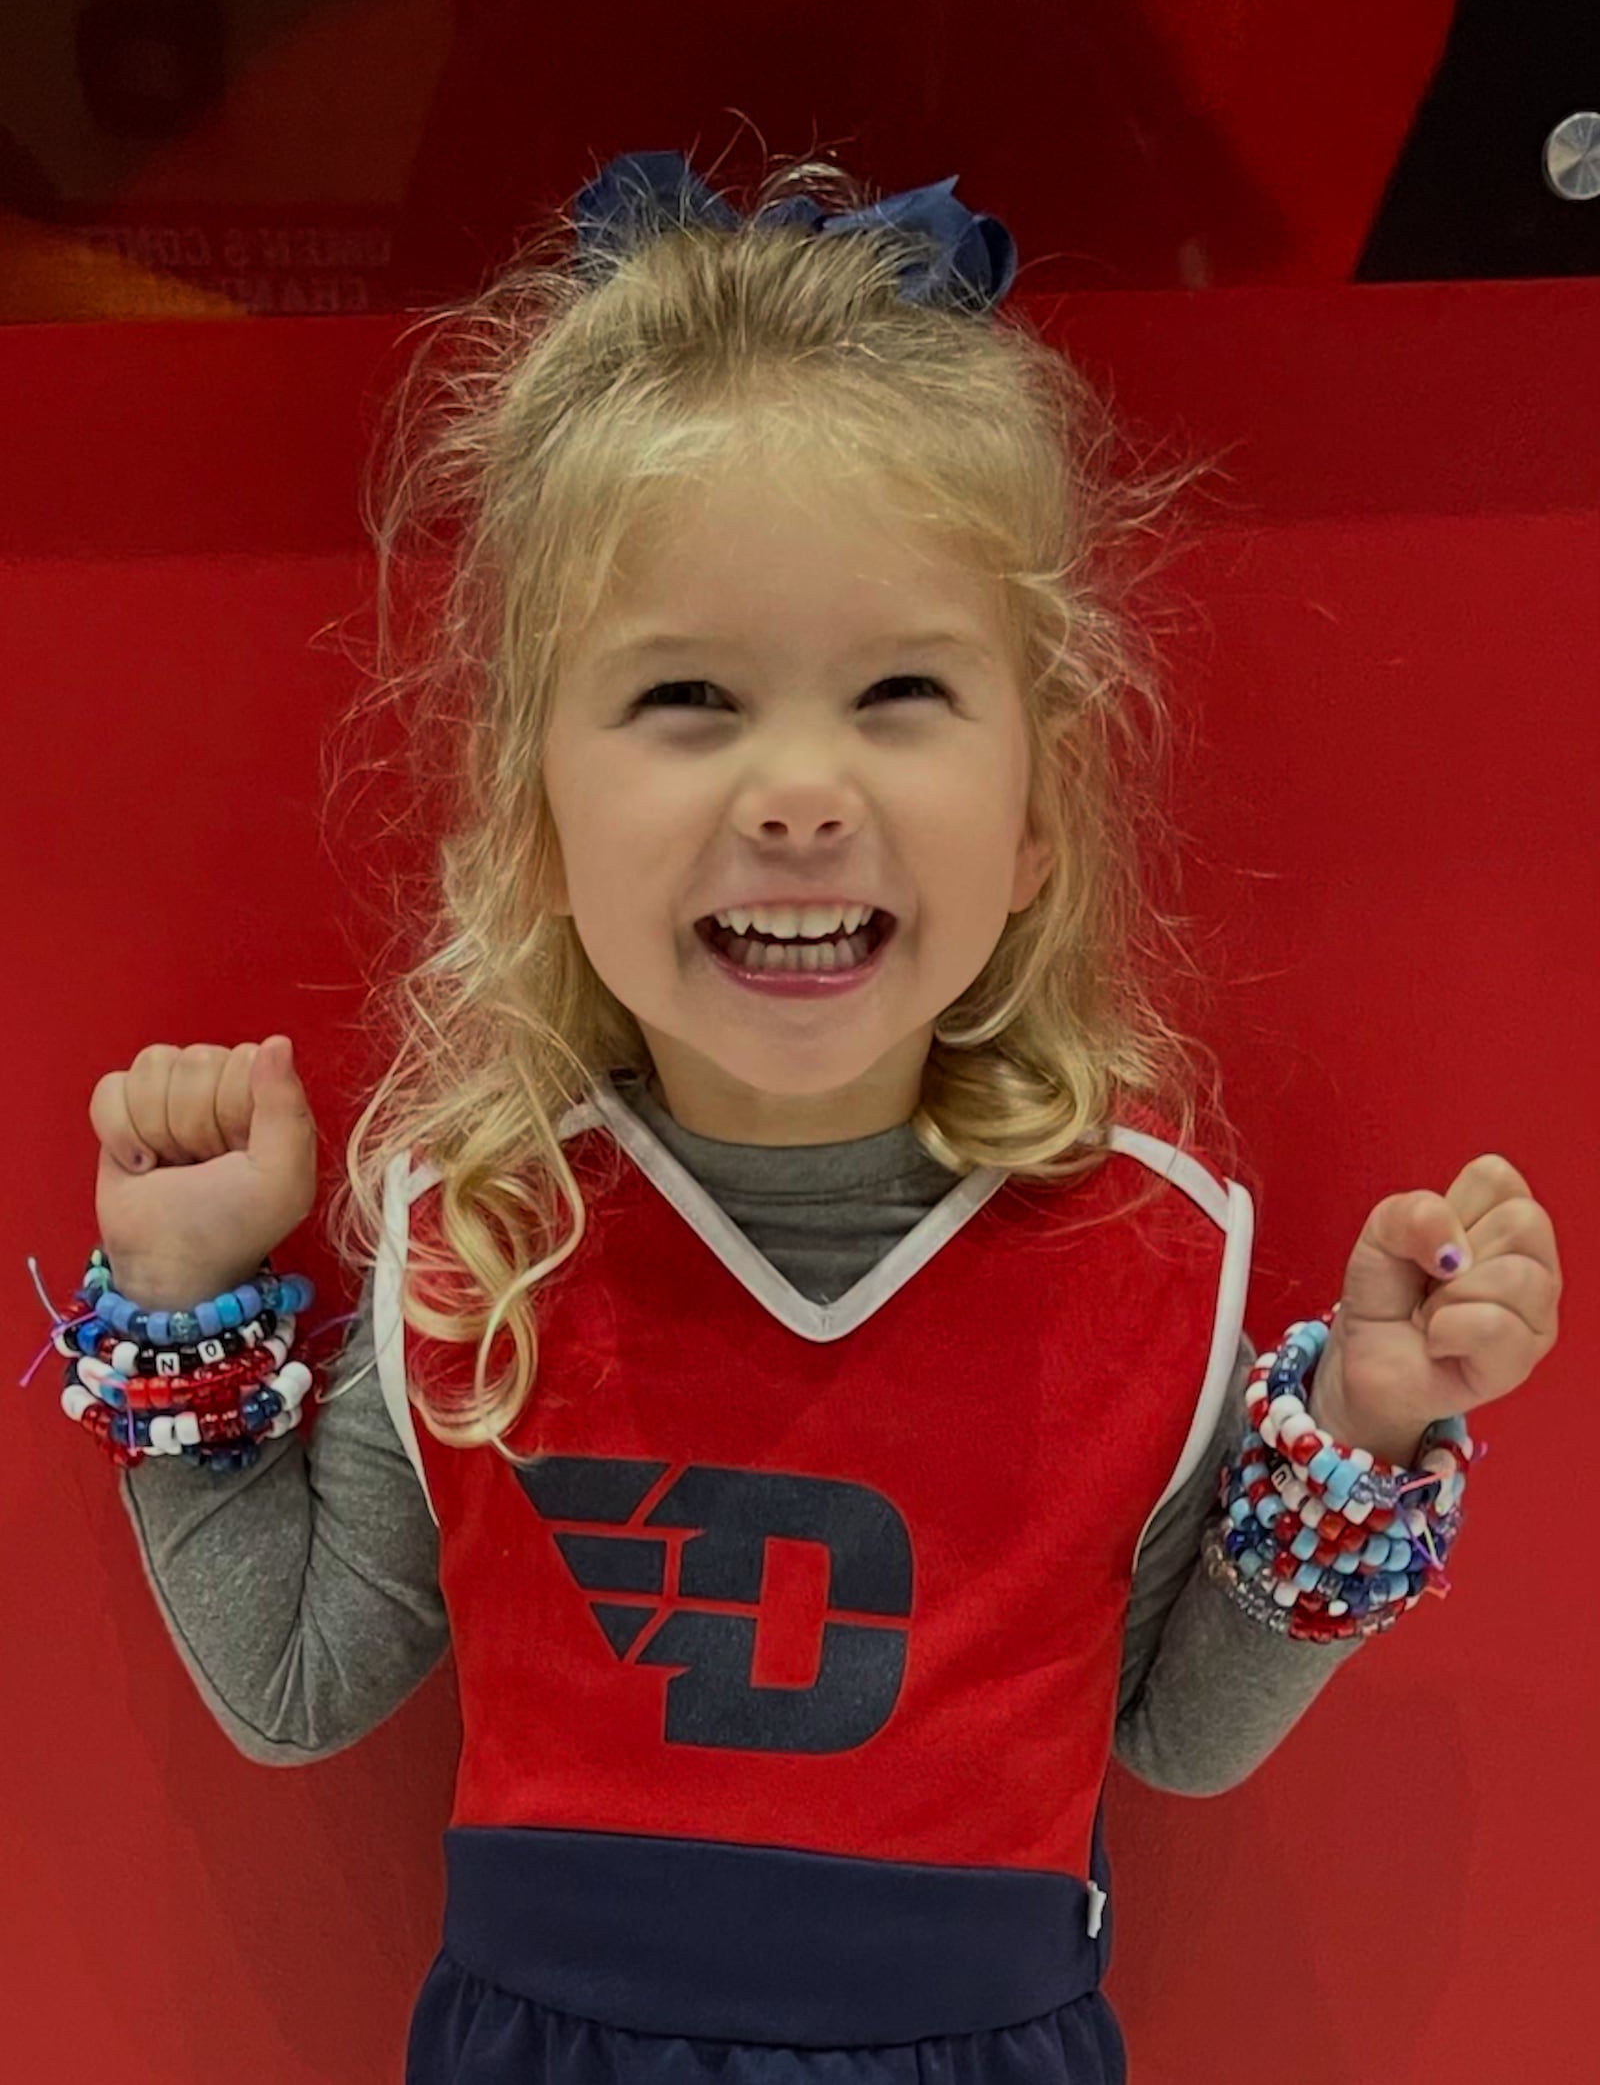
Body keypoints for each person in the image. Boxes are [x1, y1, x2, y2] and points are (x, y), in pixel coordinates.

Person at [42, 151, 1561, 2083]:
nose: (797, 791)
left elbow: (1175, 1731)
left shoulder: (1149, 1256)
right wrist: (183, 1301)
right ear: (535, 815)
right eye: (688, 693)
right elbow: (290, 1682)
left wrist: (1363, 1415)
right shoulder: (480, 1232)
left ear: (1034, 819)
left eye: (902, 689)